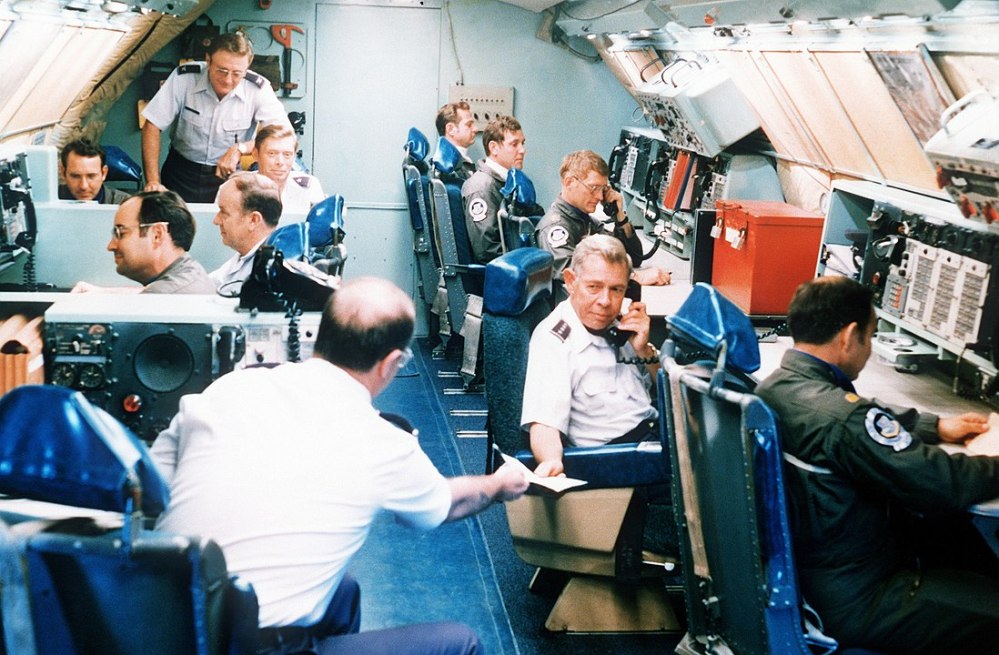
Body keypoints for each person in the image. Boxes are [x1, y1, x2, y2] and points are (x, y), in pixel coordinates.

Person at [150, 277, 527, 654]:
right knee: (460, 644)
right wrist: (499, 484)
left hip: (158, 624)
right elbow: (444, 504)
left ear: (321, 335)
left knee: (342, 591)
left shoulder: (227, 389)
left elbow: (153, 486)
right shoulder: (383, 441)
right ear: (391, 363)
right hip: (245, 646)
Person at [755, 276, 999, 655]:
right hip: (864, 597)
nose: (869, 349)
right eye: (870, 336)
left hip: (815, 583)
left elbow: (856, 413)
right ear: (849, 336)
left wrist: (933, 425)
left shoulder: (775, 387)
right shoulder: (845, 419)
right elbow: (943, 483)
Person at [521, 235, 660, 478]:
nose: (605, 301)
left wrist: (644, 351)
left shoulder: (620, 325)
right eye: (594, 287)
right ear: (571, 281)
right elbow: (543, 424)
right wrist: (552, 463)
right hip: (619, 460)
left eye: (616, 289)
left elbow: (662, 389)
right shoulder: (555, 341)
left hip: (653, 436)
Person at [141, 32, 290, 204]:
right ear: (208, 61)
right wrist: (153, 181)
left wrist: (240, 148)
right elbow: (152, 125)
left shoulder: (258, 89)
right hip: (180, 172)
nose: (227, 80)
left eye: (236, 74)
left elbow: (283, 136)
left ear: (247, 67)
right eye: (222, 71)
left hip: (227, 175)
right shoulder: (184, 78)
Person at [535, 150, 670, 287]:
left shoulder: (584, 220)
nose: (600, 197)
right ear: (569, 182)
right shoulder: (555, 226)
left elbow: (632, 257)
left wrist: (619, 216)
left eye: (603, 189)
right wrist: (633, 277)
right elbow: (568, 269)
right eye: (594, 188)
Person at [72, 191, 215, 294]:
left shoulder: (162, 300)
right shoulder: (190, 274)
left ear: (157, 235)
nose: (111, 246)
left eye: (121, 233)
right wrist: (101, 293)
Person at [461, 115, 528, 264]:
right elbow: (487, 250)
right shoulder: (481, 187)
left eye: (523, 143)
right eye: (514, 144)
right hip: (502, 272)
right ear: (494, 148)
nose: (522, 150)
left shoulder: (509, 182)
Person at [210, 172, 281, 295]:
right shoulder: (246, 255)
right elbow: (212, 282)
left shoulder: (265, 277)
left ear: (253, 220)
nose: (216, 221)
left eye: (224, 212)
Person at [251, 123, 325, 215]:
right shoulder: (240, 188)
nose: (280, 162)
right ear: (255, 154)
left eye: (287, 155)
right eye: (272, 153)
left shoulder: (309, 187)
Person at [58, 138, 131, 204]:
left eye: (91, 176)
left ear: (104, 173)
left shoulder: (126, 205)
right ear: (63, 173)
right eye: (75, 176)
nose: (83, 186)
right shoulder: (52, 199)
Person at [435, 101, 478, 180]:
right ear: (450, 129)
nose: (475, 129)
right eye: (469, 125)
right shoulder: (449, 170)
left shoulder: (462, 163)